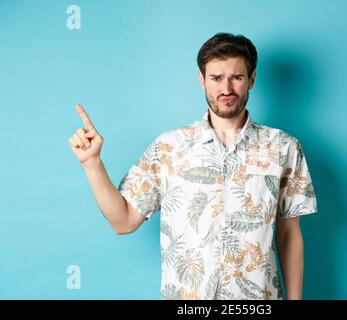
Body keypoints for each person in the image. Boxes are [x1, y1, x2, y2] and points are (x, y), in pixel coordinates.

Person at [68, 32, 318, 300]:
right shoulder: (169, 148)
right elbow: (123, 221)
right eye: (216, 78)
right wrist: (92, 164)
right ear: (201, 80)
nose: (226, 89)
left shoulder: (284, 148)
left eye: (236, 77)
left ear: (252, 79)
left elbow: (289, 235)